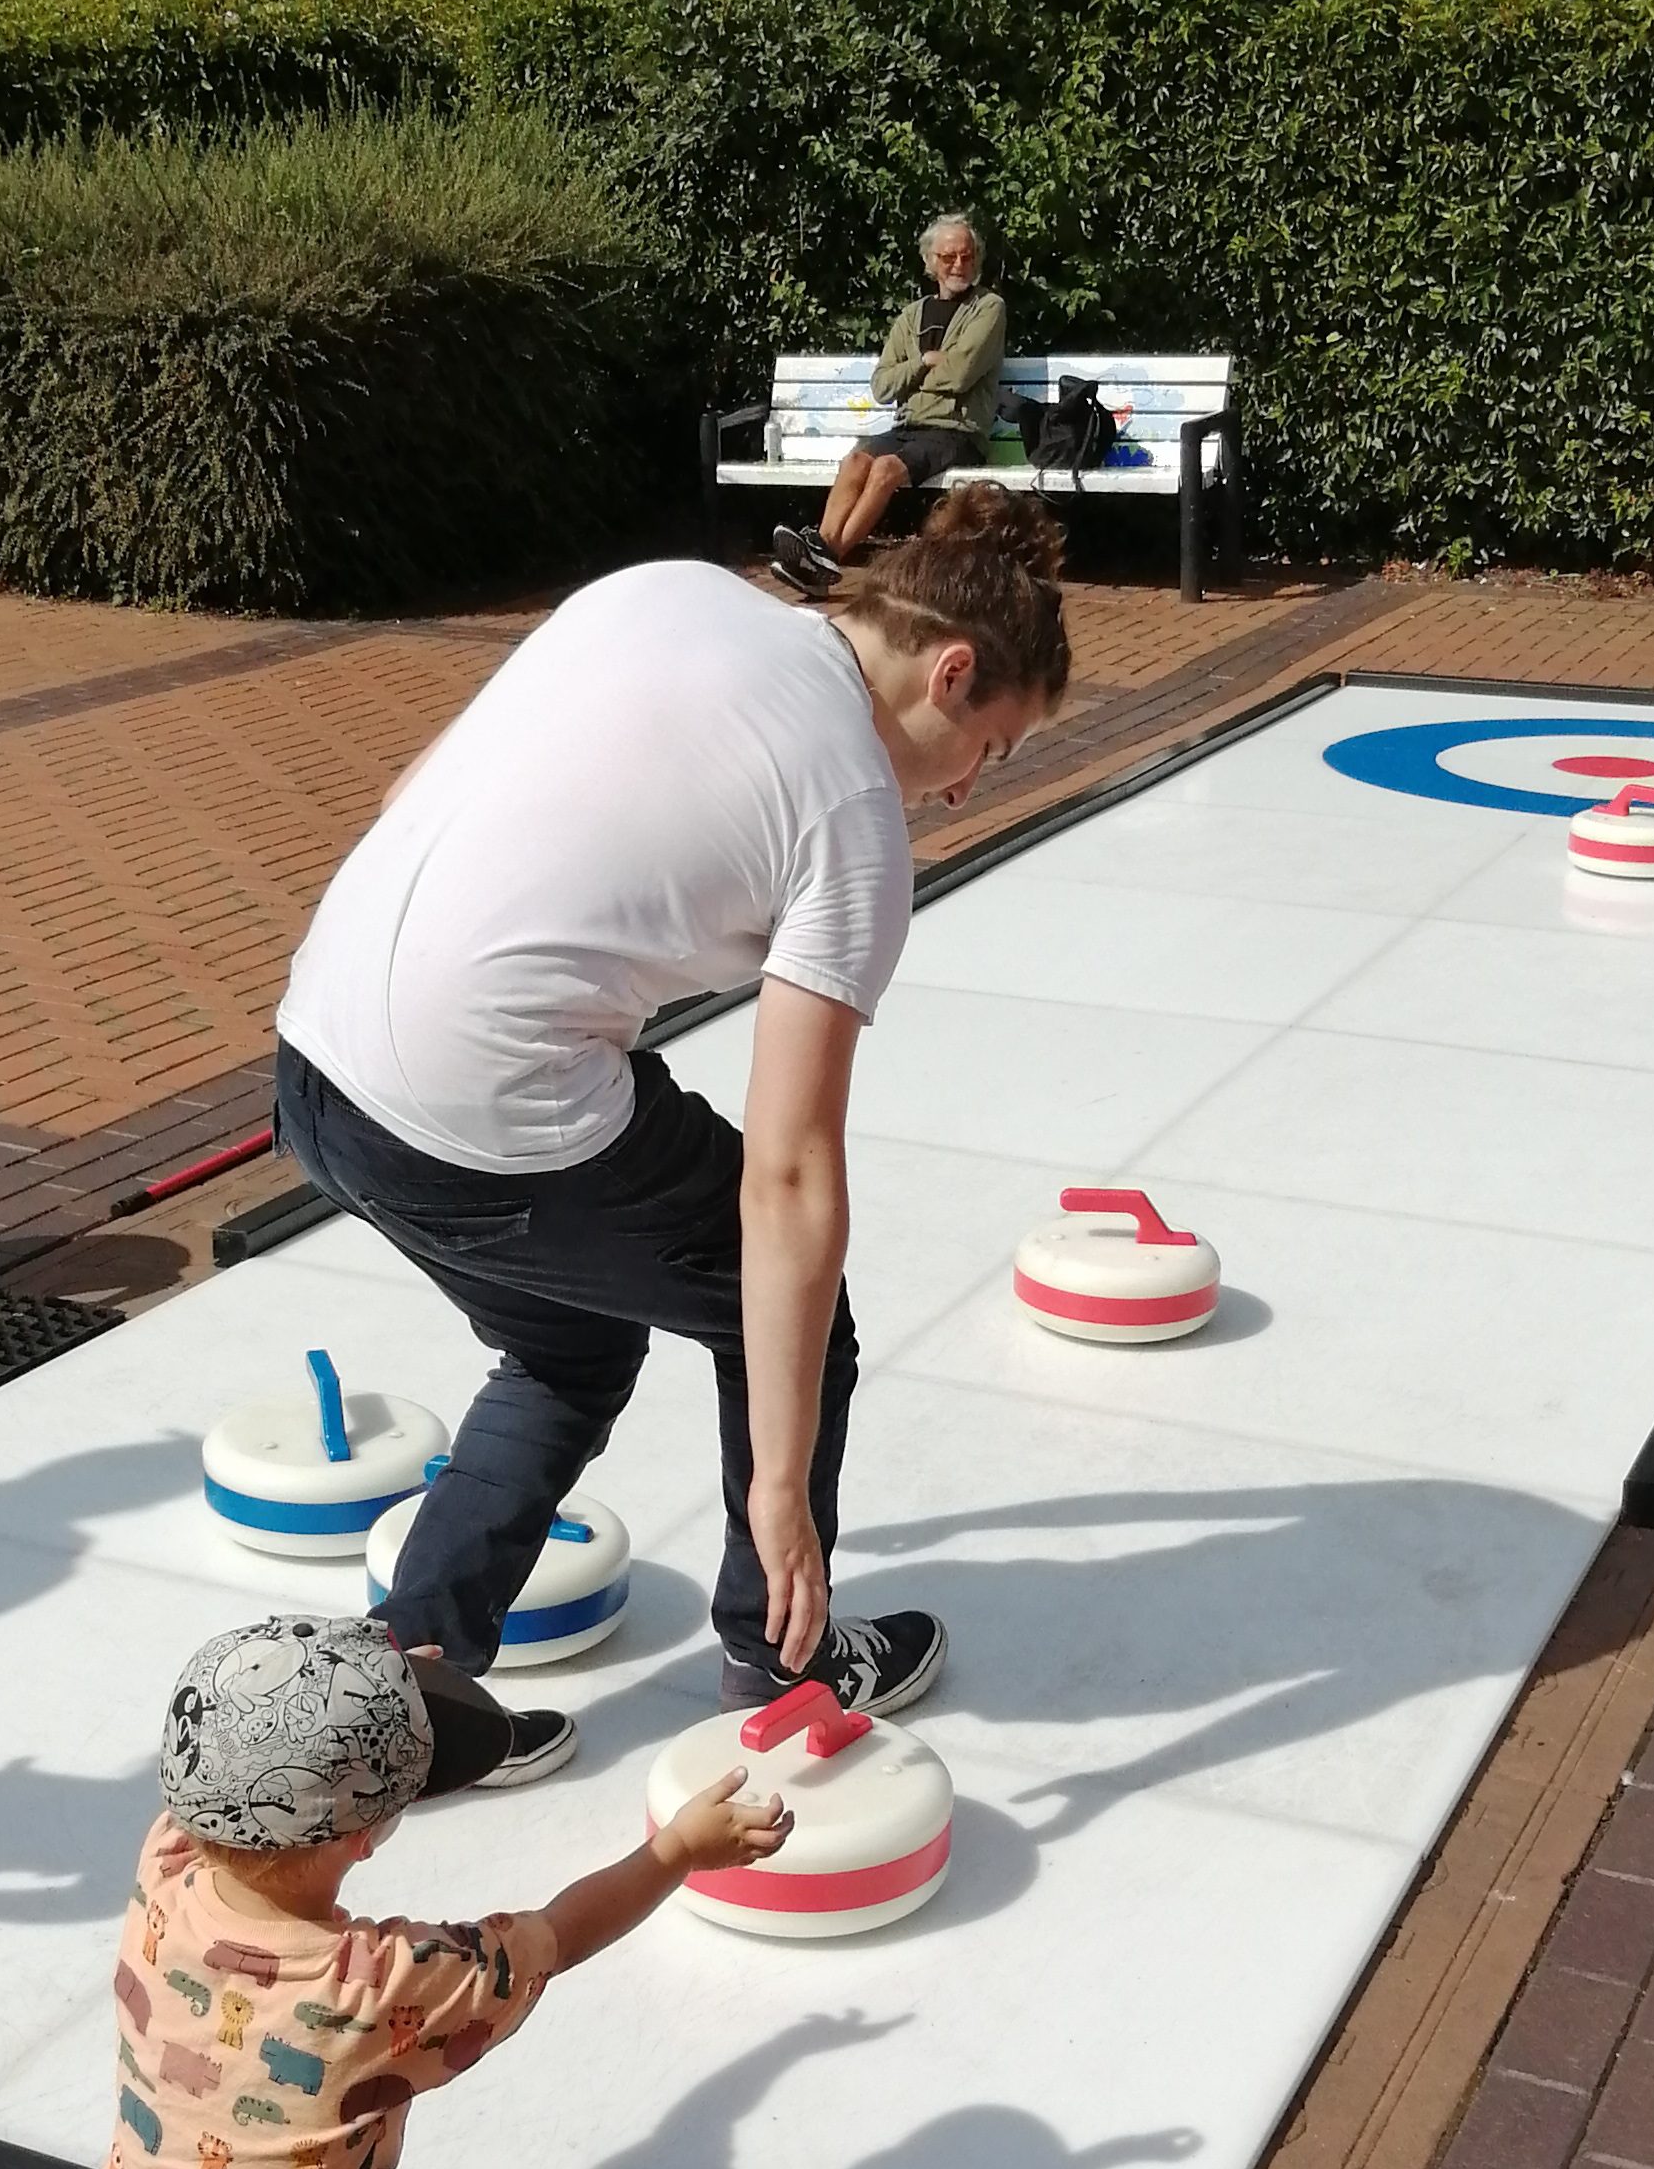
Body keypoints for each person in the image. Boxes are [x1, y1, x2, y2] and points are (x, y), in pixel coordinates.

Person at [276, 489, 1071, 1779]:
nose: (974, 784)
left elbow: (403, 789)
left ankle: (402, 1692)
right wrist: (779, 1490)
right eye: (993, 744)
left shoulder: (669, 590)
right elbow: (792, 1176)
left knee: (568, 1343)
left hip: (314, 1064)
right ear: (952, 668)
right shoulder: (853, 815)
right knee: (789, 1310)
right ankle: (780, 1645)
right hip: (484, 1098)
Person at [87, 1616, 791, 2169]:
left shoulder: (169, 1859)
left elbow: (248, 1741)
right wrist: (681, 1851)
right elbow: (561, 1934)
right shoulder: (383, 1986)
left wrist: (367, 1673)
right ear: (365, 1836)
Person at [772, 211, 1007, 596]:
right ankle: (820, 553)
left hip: (958, 431)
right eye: (949, 257)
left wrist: (915, 380)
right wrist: (924, 363)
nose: (959, 265)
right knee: (856, 461)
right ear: (931, 262)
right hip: (909, 426)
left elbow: (962, 374)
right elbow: (882, 385)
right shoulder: (911, 317)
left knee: (884, 470)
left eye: (966, 256)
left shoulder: (988, 308)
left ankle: (825, 560)